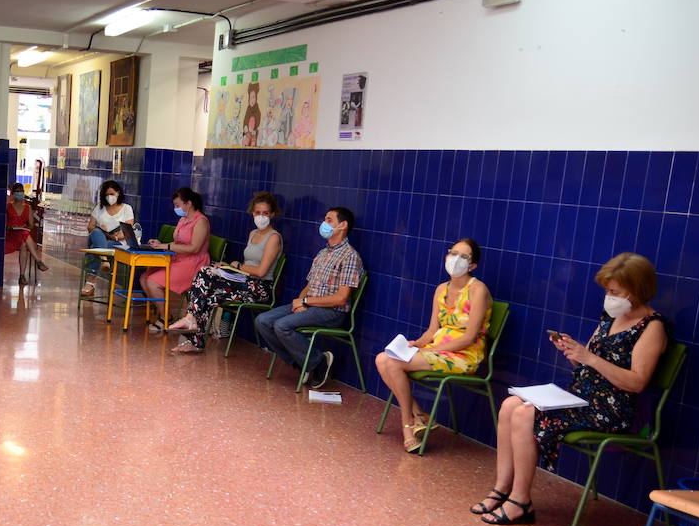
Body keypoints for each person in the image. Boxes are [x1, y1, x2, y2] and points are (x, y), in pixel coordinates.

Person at [472, 252, 668, 525]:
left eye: (614, 291)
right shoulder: (611, 317)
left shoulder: (652, 327)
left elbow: (636, 382)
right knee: (509, 406)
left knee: (525, 414)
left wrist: (589, 359)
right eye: (608, 290)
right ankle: (501, 489)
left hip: (610, 410)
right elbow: (590, 361)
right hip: (582, 397)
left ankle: (520, 501)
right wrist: (575, 353)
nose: (609, 296)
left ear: (636, 289)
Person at [375, 238, 492, 452]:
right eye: (453, 253)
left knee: (393, 364)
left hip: (463, 356)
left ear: (472, 265)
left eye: (463, 256)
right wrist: (416, 344)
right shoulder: (441, 289)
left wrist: (430, 350)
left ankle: (407, 426)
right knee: (382, 358)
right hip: (436, 352)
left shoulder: (478, 290)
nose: (455, 259)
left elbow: (469, 337)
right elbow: (432, 330)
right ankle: (420, 415)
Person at [255, 207, 362, 389]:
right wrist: (299, 302)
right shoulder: (323, 253)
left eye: (329, 220)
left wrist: (306, 302)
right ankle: (302, 362)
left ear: (342, 225)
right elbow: (308, 286)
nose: (324, 224)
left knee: (282, 326)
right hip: (309, 304)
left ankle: (318, 363)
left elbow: (341, 298)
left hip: (331, 311)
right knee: (262, 321)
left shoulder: (350, 256)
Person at [165, 192, 283, 354]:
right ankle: (194, 333)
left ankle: (192, 324)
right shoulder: (253, 234)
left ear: (272, 214)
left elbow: (261, 271)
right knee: (207, 281)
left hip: (259, 288)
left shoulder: (274, 238)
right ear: (252, 213)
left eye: (265, 213)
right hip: (243, 281)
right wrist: (228, 267)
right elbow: (246, 267)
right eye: (257, 213)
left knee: (207, 281)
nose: (261, 217)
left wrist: (238, 266)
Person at [140, 187, 211, 329]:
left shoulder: (201, 221)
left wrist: (166, 247)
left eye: (178, 205)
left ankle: (165, 318)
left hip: (194, 264)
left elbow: (194, 248)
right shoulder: (183, 220)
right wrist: (160, 244)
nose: (175, 208)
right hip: (178, 259)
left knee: (153, 283)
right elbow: (178, 243)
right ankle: (166, 312)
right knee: (144, 278)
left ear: (188, 204)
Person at [81, 180, 135, 298]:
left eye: (112, 194)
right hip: (102, 237)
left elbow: (128, 231)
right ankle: (104, 260)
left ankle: (90, 283)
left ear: (118, 193)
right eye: (107, 195)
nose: (109, 197)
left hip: (119, 243)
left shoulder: (127, 208)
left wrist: (114, 237)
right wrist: (101, 229)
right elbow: (90, 226)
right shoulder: (99, 208)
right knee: (95, 231)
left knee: (94, 248)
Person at [4, 182, 49, 285]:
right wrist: (10, 226)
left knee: (24, 241)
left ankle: (22, 276)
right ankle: (38, 261)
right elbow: (4, 223)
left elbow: (31, 225)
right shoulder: (8, 207)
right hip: (10, 235)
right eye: (17, 191)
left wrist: (25, 227)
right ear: (13, 193)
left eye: (21, 191)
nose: (19, 193)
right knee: (24, 237)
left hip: (22, 234)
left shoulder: (27, 208)